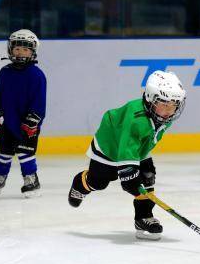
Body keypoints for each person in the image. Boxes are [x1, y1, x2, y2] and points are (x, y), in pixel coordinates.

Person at [67, 70, 187, 240]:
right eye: (165, 105)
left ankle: (143, 218)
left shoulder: (161, 116)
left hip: (134, 148)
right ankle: (80, 183)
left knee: (147, 177)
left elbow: (142, 141)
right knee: (99, 181)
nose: (169, 111)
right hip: (110, 145)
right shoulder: (136, 117)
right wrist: (128, 171)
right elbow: (126, 146)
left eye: (174, 105)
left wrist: (138, 170)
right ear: (150, 99)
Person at [0, 29, 47, 198]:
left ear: (32, 52)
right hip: (9, 123)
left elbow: (39, 102)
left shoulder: (37, 75)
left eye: (25, 49)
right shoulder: (4, 73)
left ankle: (31, 179)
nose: (20, 52)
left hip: (28, 125)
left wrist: (33, 120)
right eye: (17, 48)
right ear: (10, 49)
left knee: (25, 152)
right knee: (3, 151)